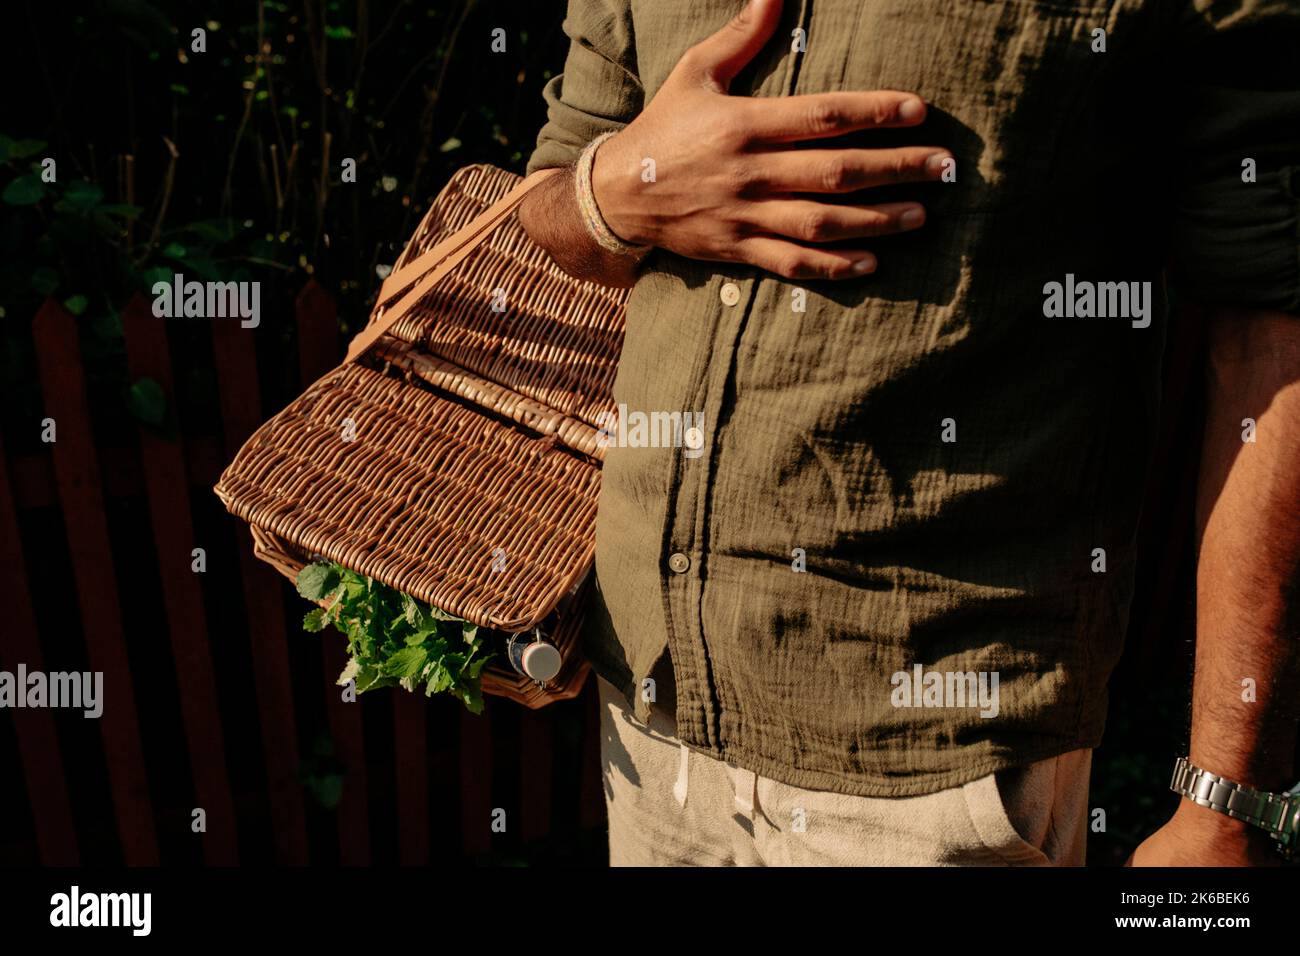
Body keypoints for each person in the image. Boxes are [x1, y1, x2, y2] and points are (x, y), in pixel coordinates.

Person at [517, 0, 1300, 865]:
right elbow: (553, 184)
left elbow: (1276, 329)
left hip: (939, 763)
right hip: (646, 714)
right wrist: (619, 189)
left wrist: (1228, 806)